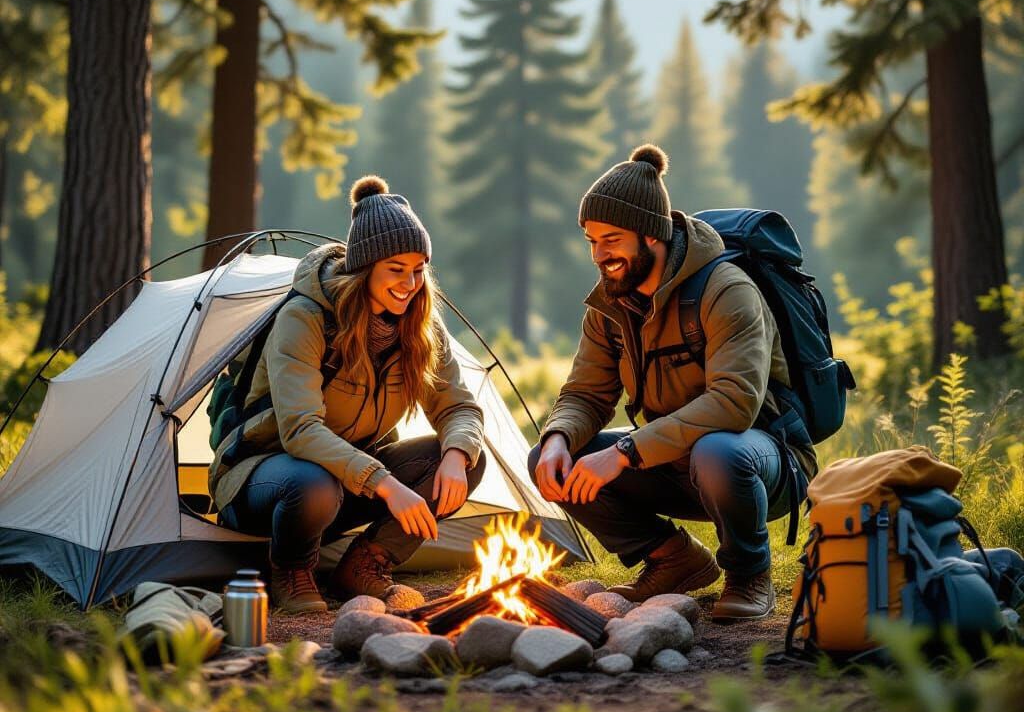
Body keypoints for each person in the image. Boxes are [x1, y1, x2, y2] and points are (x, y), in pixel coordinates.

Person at [528, 145, 816, 621]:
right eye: (591, 240)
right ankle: (673, 559)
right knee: (550, 459)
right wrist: (559, 437)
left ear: (651, 235)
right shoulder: (610, 306)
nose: (600, 255)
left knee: (718, 450)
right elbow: (585, 393)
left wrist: (622, 453)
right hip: (672, 459)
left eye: (612, 239)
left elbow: (733, 404)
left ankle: (749, 574)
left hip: (761, 461)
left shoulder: (726, 290)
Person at [211, 176, 486, 613]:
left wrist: (457, 454)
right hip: (265, 481)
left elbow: (459, 407)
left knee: (464, 459)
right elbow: (300, 431)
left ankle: (364, 564)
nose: (410, 283)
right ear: (364, 269)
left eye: (418, 269)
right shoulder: (306, 318)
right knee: (314, 482)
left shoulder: (420, 325)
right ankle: (291, 568)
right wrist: (385, 484)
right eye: (396, 270)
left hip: (344, 483)